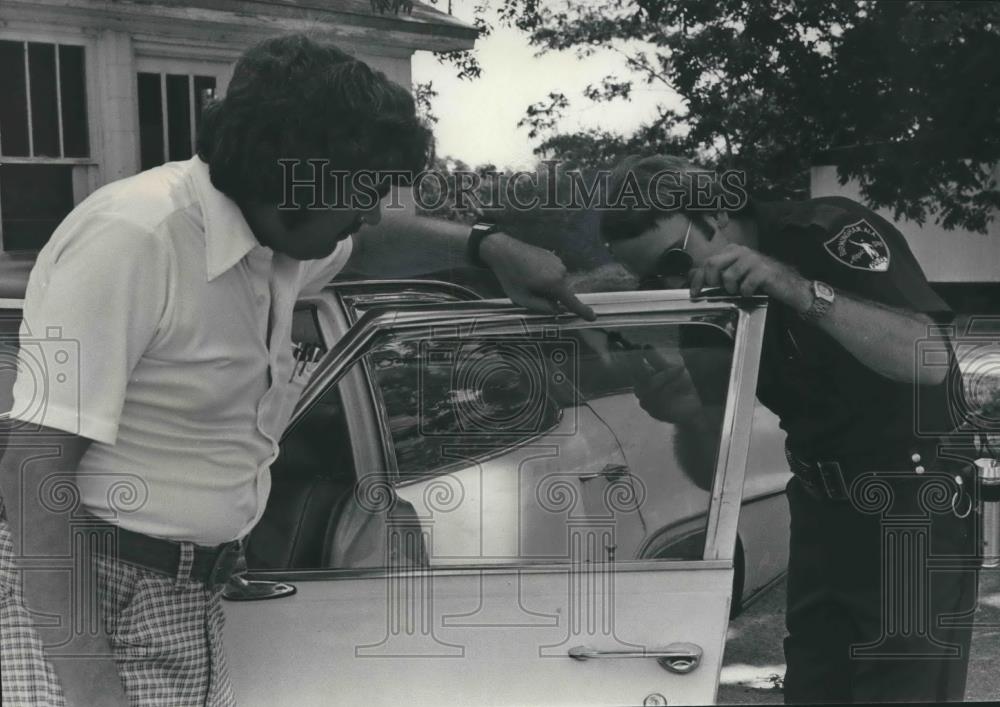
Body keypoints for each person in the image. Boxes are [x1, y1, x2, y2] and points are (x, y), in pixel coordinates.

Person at [0, 34, 593, 707]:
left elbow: (369, 240)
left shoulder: (275, 236)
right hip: (91, 604)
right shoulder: (134, 238)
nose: (369, 210)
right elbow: (33, 469)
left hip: (191, 598)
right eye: (362, 192)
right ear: (288, 175)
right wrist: (90, 686)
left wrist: (489, 248)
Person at [599, 153, 978, 703]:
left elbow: (928, 359)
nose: (675, 282)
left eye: (675, 260)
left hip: (912, 504)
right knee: (815, 691)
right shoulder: (708, 303)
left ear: (717, 215)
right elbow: (711, 469)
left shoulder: (826, 231)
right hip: (820, 510)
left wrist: (798, 290)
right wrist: (686, 418)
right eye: (653, 276)